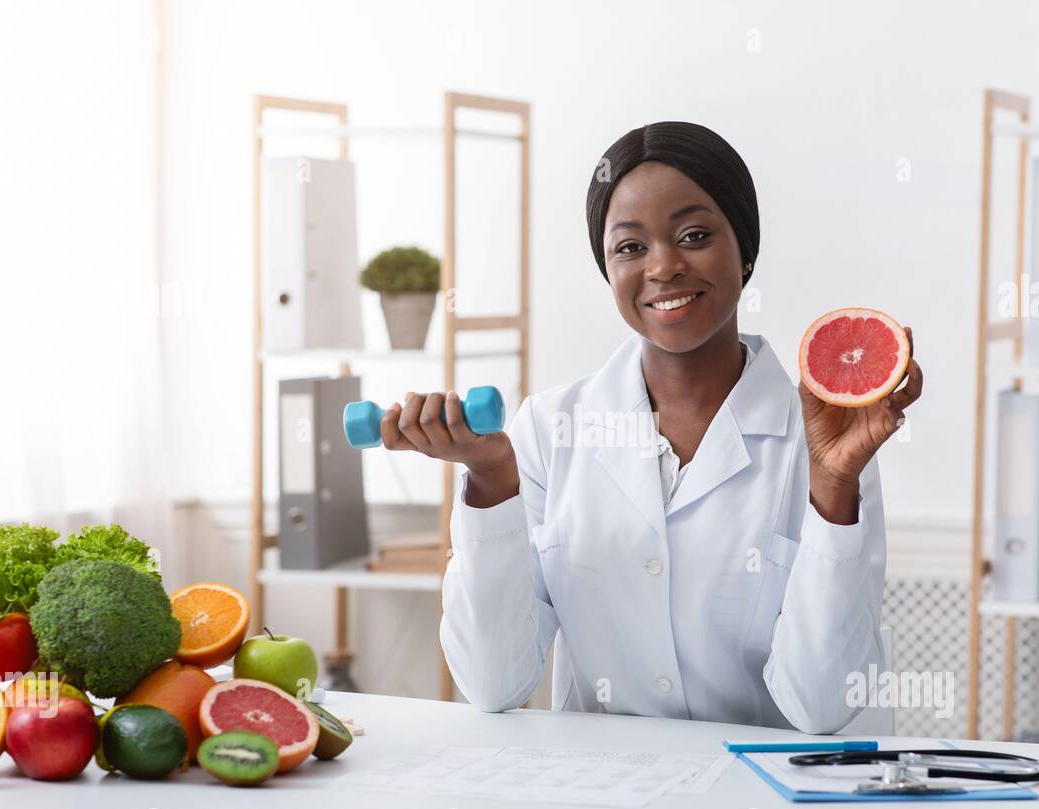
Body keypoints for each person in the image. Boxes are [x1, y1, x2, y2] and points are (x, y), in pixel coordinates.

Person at [377, 121, 923, 733]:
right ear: (607, 270)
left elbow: (823, 706)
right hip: (606, 805)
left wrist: (832, 489)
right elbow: (492, 682)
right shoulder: (548, 429)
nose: (663, 267)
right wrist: (489, 482)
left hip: (772, 806)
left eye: (693, 235)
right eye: (631, 248)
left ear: (745, 249)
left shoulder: (823, 443)